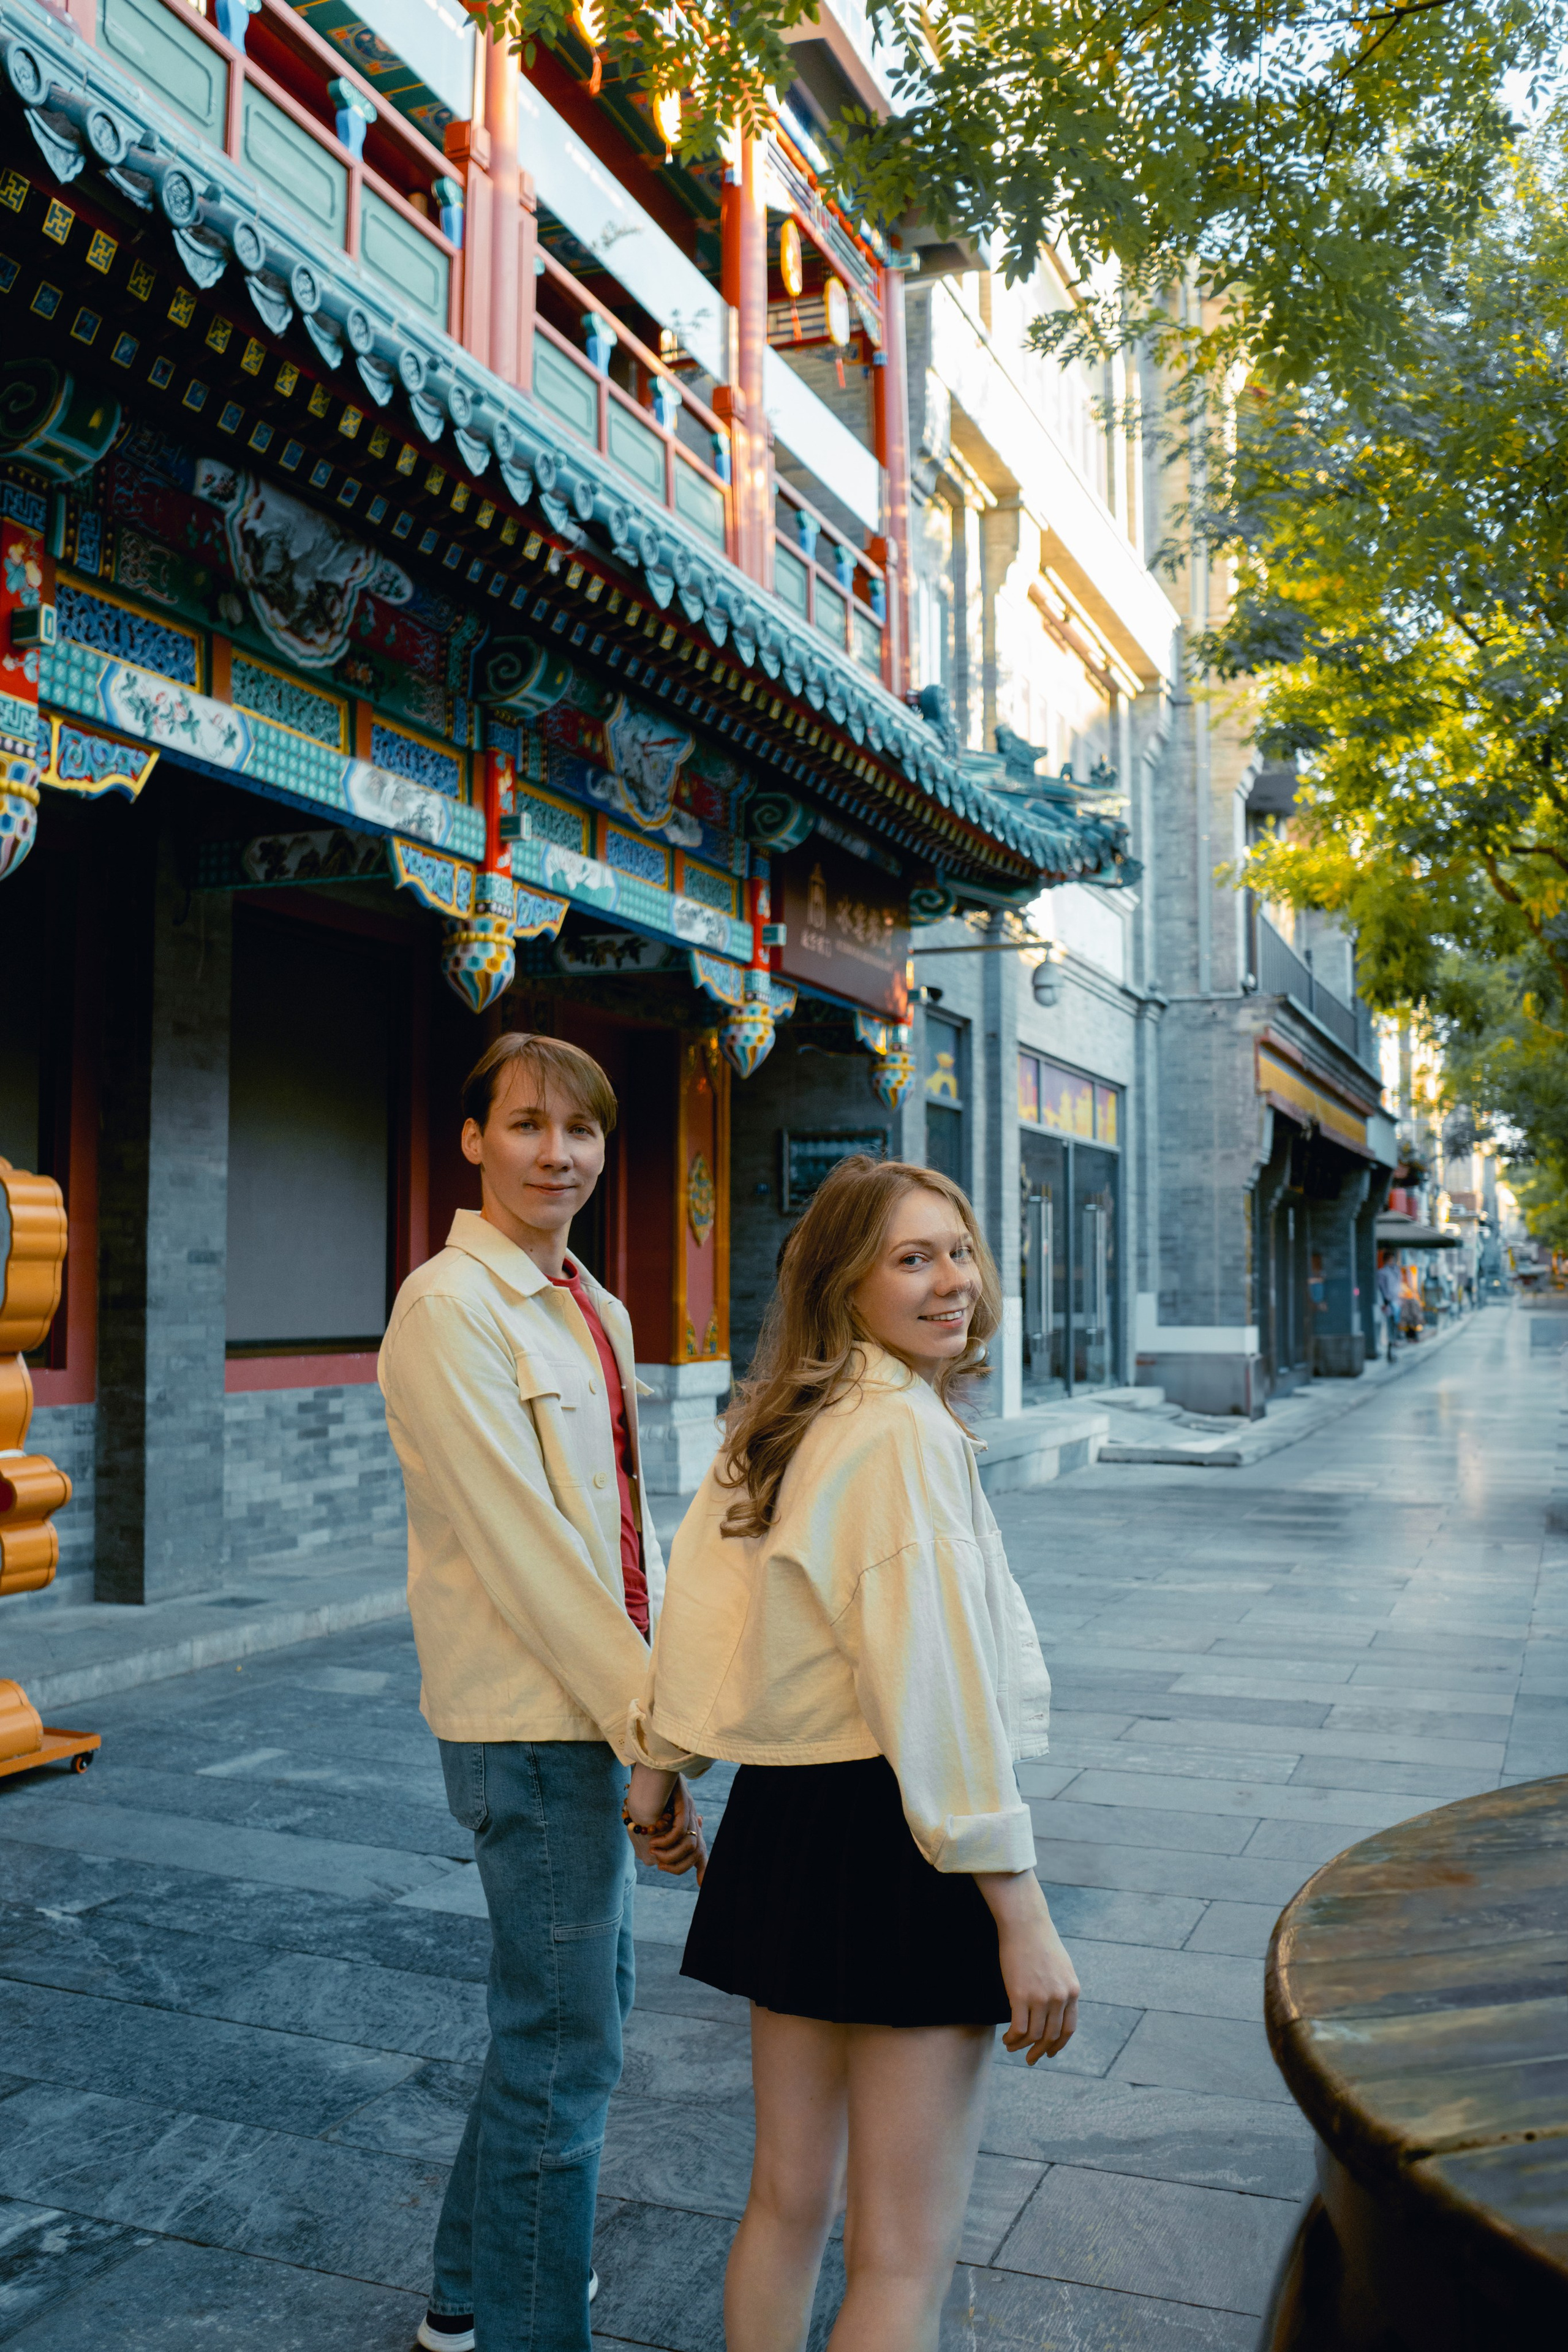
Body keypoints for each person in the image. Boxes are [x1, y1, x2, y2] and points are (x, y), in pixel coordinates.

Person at [625, 1155, 1080, 2352]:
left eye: (959, 1250)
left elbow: (701, 1602)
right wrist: (1018, 1907)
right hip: (899, 1836)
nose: (950, 1283)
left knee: (785, 2202)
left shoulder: (783, 1417)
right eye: (910, 1258)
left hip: (787, 1827)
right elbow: (936, 1687)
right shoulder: (897, 1435)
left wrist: (660, 1765)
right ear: (844, 1283)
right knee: (900, 2258)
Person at [379, 1033, 704, 2352]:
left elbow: (625, 1524)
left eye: (579, 1132)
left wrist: (666, 1696)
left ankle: (468, 2303)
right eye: (523, 1126)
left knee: (563, 2021)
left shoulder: (594, 1306)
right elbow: (527, 1550)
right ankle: (525, 2330)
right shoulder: (445, 1308)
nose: (554, 1154)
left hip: (599, 1705)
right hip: (532, 1720)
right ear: (471, 1140)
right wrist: (656, 1736)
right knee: (569, 2047)